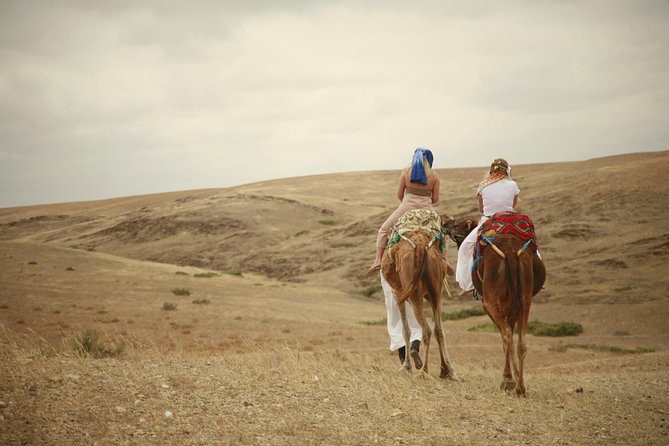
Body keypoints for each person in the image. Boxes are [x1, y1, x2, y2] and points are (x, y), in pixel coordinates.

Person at [368, 148, 441, 272]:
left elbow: (399, 194)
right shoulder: (434, 177)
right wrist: (424, 203)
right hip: (427, 210)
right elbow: (435, 199)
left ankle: (378, 260)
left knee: (384, 230)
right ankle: (443, 261)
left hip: (406, 208)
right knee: (441, 234)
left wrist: (408, 204)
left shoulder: (406, 173)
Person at [456, 158, 519, 296]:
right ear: (506, 171)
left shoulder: (483, 185)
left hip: (489, 221)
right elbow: (513, 206)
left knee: (465, 247)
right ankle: (538, 277)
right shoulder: (513, 184)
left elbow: (481, 208)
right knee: (531, 243)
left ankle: (467, 284)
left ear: (491, 171)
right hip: (509, 220)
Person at [380, 271, 423, 368]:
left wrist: (378, 260)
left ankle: (404, 363)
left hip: (389, 281)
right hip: (408, 282)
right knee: (416, 322)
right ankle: (415, 348)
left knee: (396, 324)